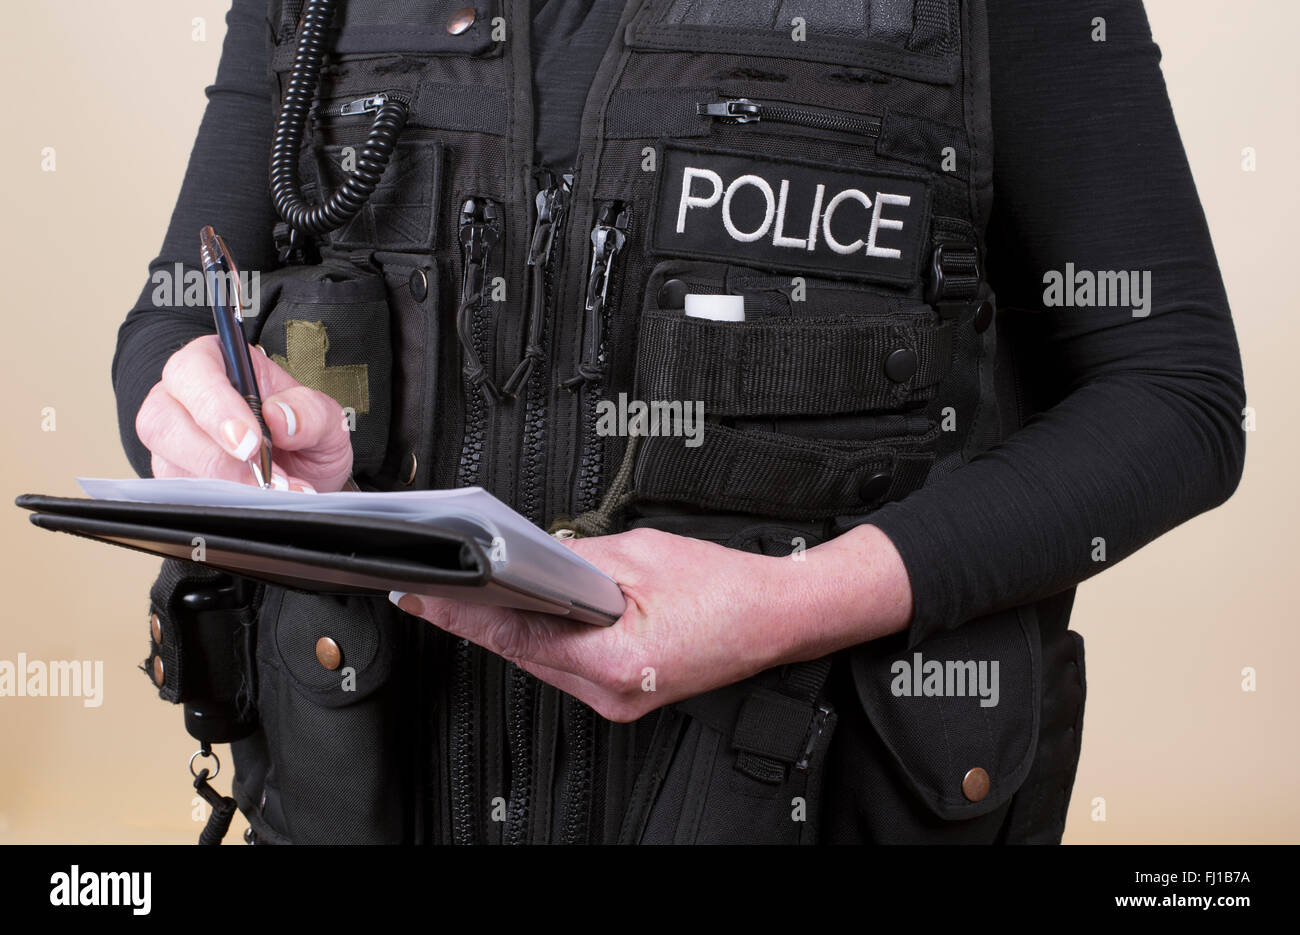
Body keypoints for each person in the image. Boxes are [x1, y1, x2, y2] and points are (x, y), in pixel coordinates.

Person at [115, 0, 1245, 844]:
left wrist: (799, 603)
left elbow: (1173, 397)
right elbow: (168, 323)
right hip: (361, 791)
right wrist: (219, 423)